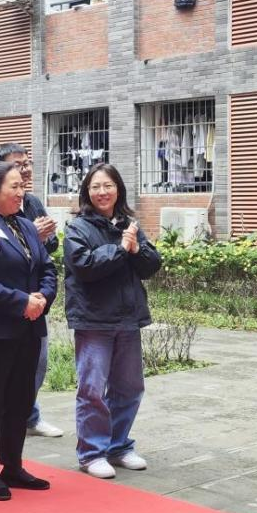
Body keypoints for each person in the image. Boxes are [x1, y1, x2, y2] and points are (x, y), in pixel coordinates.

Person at [0, 161, 57, 500]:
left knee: (20, 400)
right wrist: (21, 302)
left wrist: (42, 298)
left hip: (28, 327)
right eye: (14, 187)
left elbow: (47, 268)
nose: (21, 193)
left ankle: (13, 465)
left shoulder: (25, 225)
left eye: (22, 186)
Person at [63, 163, 162, 479]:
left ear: (118, 189)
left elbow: (151, 266)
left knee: (129, 388)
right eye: (95, 187)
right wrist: (120, 249)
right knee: (92, 389)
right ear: (87, 192)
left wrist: (136, 249)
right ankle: (91, 453)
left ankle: (118, 446)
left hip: (128, 319)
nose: (102, 192)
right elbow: (85, 266)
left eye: (108, 185)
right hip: (94, 320)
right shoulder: (78, 228)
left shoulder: (128, 224)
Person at [0, 143, 64, 438]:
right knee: (3, 369)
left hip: (35, 300)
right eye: (18, 164)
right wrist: (29, 233)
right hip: (4, 301)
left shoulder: (32, 202)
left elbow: (51, 248)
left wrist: (41, 236)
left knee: (37, 363)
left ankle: (27, 416)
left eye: (27, 163)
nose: (26, 169)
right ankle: (5, 419)